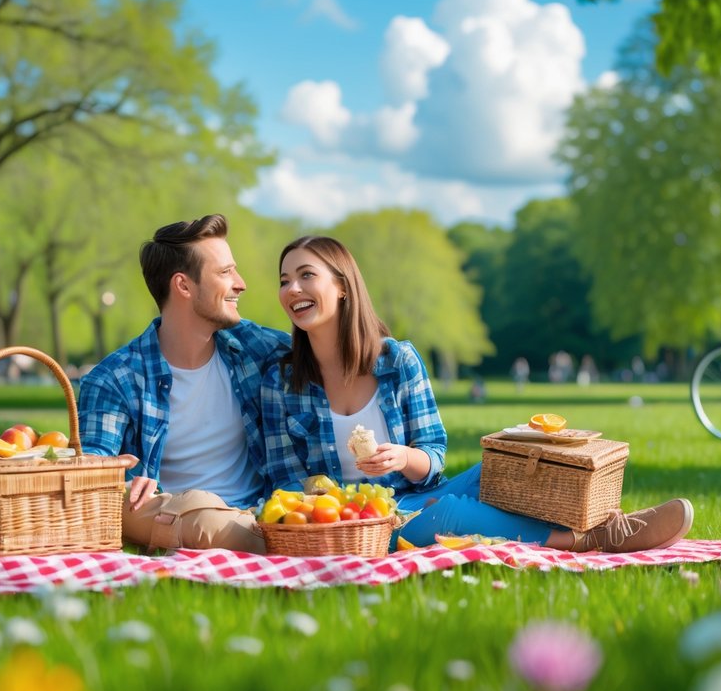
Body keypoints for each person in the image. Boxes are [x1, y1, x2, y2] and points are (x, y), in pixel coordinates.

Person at [260, 235, 694, 552]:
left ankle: (601, 517)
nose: (292, 290)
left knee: (503, 467)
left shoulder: (398, 361)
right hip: (352, 525)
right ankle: (594, 538)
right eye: (284, 280)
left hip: (409, 495)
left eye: (305, 275)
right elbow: (284, 484)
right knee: (449, 514)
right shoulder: (282, 382)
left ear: (342, 286)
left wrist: (404, 459)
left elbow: (432, 454)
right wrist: (349, 506)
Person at [78, 214, 291, 553]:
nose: (241, 283)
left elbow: (326, 349)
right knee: (196, 511)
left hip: (259, 512)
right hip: (175, 515)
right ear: (184, 286)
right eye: (225, 273)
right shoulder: (114, 379)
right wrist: (125, 481)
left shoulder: (253, 349)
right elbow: (86, 474)